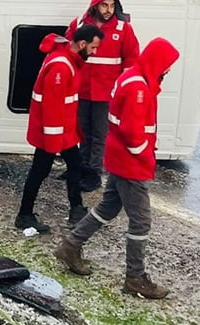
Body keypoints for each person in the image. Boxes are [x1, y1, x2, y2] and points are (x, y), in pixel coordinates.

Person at [56, 38, 180, 299]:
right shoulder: (139, 88)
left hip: (120, 159)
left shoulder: (133, 78)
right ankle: (135, 277)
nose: (168, 71)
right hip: (130, 164)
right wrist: (145, 158)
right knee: (141, 221)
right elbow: (133, 133)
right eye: (167, 66)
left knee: (108, 207)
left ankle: (71, 244)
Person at [15, 25, 103, 235]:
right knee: (40, 171)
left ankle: (75, 208)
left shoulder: (63, 58)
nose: (94, 52)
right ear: (82, 44)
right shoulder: (62, 68)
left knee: (74, 165)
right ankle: (25, 214)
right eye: (93, 47)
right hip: (53, 133)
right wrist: (54, 143)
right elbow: (52, 107)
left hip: (61, 131)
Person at [66, 0, 140, 191]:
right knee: (80, 131)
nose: (108, 10)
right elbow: (68, 49)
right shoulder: (80, 24)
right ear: (95, 5)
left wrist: (124, 89)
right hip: (82, 89)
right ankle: (80, 168)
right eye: (104, 5)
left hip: (107, 92)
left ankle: (94, 174)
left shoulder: (124, 29)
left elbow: (132, 59)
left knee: (99, 135)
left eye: (112, 6)